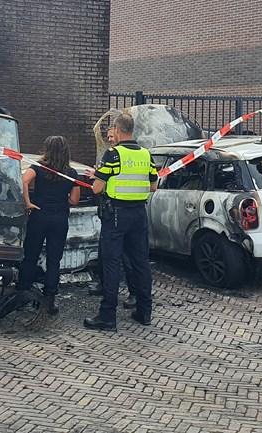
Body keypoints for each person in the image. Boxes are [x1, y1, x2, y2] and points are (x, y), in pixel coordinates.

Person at [84, 114, 158, 331]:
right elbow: (153, 187)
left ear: (116, 130)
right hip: (139, 215)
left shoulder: (113, 154)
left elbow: (97, 188)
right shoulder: (146, 154)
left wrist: (101, 180)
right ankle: (144, 312)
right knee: (141, 262)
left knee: (112, 263)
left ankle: (107, 316)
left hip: (116, 215)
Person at [18, 135, 80, 315]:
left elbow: (24, 180)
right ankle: (50, 299)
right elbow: (75, 200)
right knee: (54, 260)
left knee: (30, 255)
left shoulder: (38, 167)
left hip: (39, 215)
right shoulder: (71, 173)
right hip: (59, 219)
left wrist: (28, 202)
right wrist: (64, 198)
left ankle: (23, 293)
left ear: (47, 149)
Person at [87, 125, 139, 309]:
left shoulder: (118, 155)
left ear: (119, 133)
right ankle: (105, 286)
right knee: (105, 254)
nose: (109, 139)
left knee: (123, 258)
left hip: (119, 213)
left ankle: (130, 294)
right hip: (110, 213)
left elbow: (102, 186)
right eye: (108, 136)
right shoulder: (112, 155)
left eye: (111, 136)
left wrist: (99, 180)